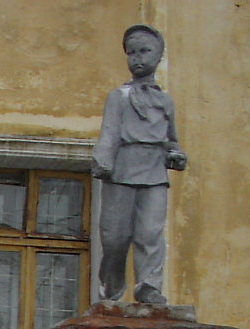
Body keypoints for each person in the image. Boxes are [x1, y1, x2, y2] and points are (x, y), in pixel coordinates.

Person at [92, 23, 187, 305]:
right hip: (121, 170)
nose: (138, 58)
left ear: (158, 57)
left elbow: (171, 140)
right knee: (115, 238)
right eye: (132, 52)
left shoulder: (165, 101)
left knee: (150, 234)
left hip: (155, 172)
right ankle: (111, 287)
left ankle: (148, 286)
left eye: (145, 51)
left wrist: (177, 155)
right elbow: (109, 133)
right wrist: (103, 161)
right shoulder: (118, 97)